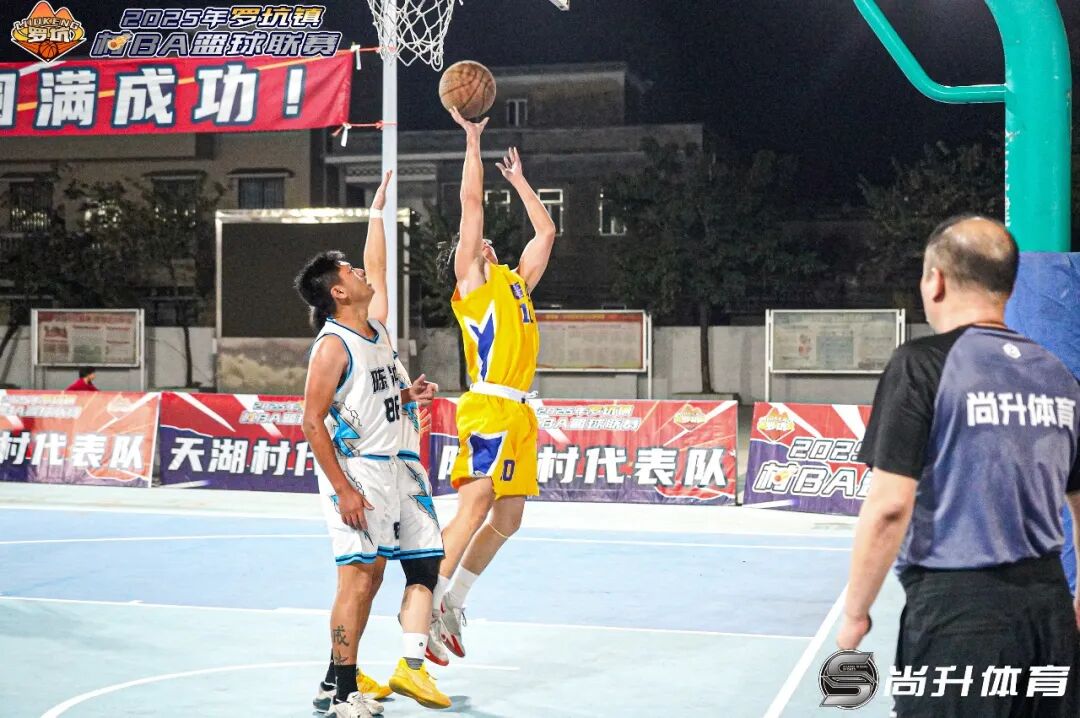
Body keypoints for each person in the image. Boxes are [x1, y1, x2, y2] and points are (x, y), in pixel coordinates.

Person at [837, 215, 1080, 717]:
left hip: (959, 618)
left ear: (936, 280)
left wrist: (856, 613)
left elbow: (889, 507)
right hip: (1050, 613)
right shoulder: (1058, 375)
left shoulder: (922, 364)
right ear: (1008, 288)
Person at [428, 108, 557, 659]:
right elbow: (471, 205)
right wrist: (472, 142)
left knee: (509, 518)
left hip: (519, 412)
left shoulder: (517, 283)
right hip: (487, 405)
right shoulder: (473, 287)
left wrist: (520, 181)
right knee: (476, 503)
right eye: (475, 245)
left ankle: (454, 603)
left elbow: (546, 231)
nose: (484, 244)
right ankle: (427, 601)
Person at [296, 248, 438, 718]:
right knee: (356, 579)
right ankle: (343, 696)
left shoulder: (376, 333)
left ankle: (330, 682)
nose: (359, 271)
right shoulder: (332, 345)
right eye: (349, 270)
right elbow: (312, 421)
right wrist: (344, 489)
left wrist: (407, 395)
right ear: (339, 292)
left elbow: (369, 397)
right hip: (355, 471)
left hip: (388, 468)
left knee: (372, 577)